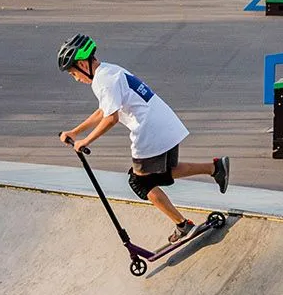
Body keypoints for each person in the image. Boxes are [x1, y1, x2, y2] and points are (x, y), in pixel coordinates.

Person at [56, 34, 230, 243]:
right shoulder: (109, 71)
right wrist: (76, 132)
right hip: (164, 123)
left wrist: (86, 141)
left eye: (74, 73)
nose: (76, 78)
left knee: (140, 182)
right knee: (161, 173)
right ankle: (215, 168)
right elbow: (104, 111)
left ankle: (183, 225)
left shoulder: (104, 80)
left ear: (83, 64)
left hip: (150, 130)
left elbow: (111, 118)